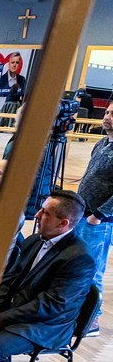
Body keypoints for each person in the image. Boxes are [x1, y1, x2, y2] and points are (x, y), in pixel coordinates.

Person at [0, 190, 95, 362]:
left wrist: (1, 321)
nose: (36, 215)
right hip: (23, 309)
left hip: (48, 324)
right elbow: (10, 280)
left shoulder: (79, 258)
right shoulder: (34, 240)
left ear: (63, 223)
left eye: (45, 213)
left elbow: (50, 305)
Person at [76, 101, 113, 327]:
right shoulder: (101, 143)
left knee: (93, 267)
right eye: (107, 112)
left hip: (100, 221)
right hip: (83, 213)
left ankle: (92, 320)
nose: (107, 116)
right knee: (79, 263)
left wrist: (98, 215)